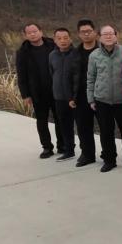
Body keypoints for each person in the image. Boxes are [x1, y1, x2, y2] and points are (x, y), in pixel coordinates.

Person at [86, 25, 122, 173]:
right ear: (99, 37)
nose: (108, 36)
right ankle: (109, 160)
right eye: (105, 34)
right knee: (106, 132)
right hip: (102, 100)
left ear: (116, 35)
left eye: (111, 34)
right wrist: (91, 99)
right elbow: (91, 78)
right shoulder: (94, 55)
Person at [16, 23, 63, 158]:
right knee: (42, 121)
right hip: (37, 92)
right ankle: (47, 147)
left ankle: (62, 145)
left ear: (41, 32)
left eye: (35, 31)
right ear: (25, 35)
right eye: (29, 32)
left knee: (60, 119)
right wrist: (25, 95)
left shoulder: (53, 45)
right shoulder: (23, 52)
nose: (32, 34)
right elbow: (21, 75)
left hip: (56, 90)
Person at [67, 19, 98, 167]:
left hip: (100, 95)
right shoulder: (75, 53)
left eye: (89, 31)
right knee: (83, 127)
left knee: (105, 127)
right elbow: (69, 75)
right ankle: (87, 154)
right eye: (83, 32)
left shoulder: (102, 50)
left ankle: (108, 155)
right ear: (79, 34)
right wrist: (71, 96)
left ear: (95, 32)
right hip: (80, 95)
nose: (86, 34)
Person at [48, 27, 76, 161]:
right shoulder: (52, 55)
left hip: (75, 97)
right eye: (59, 38)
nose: (63, 41)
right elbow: (52, 73)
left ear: (70, 39)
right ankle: (69, 150)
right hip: (59, 96)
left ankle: (87, 152)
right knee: (64, 125)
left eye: (65, 38)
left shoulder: (76, 54)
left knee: (82, 126)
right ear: (54, 40)